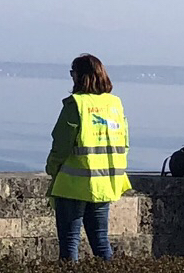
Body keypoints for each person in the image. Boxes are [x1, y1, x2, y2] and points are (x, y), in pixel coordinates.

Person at [46, 54, 131, 261]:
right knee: (101, 241)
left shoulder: (76, 104)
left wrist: (52, 168)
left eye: (72, 73)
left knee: (69, 243)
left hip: (73, 184)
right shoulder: (115, 104)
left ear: (79, 76)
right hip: (105, 184)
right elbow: (124, 142)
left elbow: (61, 144)